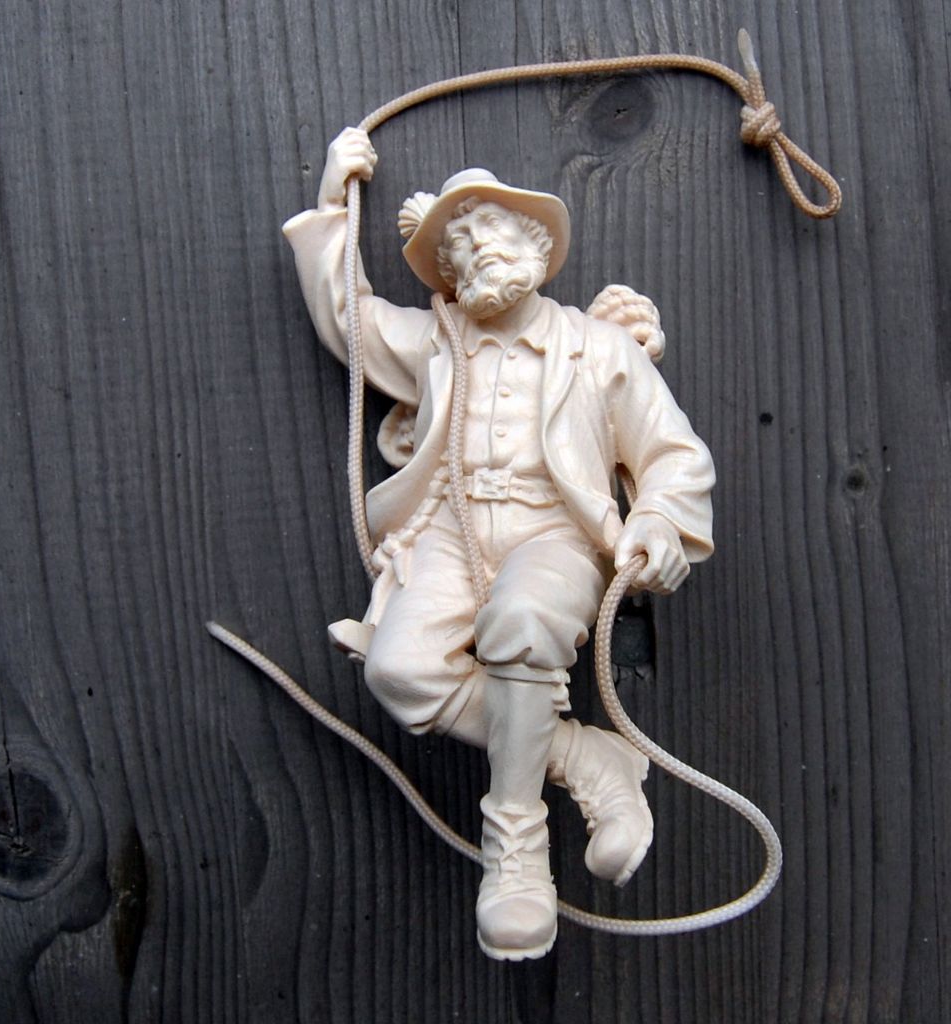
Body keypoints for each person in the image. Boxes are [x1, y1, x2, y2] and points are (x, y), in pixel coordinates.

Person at [283, 127, 716, 960]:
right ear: (447, 275)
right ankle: (585, 758)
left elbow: (672, 454)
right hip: (448, 530)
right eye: (457, 244)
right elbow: (352, 321)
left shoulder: (597, 349)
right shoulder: (437, 343)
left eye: (492, 230)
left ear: (536, 243)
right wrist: (335, 203)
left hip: (553, 534)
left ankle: (514, 847)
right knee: (398, 671)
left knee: (522, 618)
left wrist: (660, 522)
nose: (476, 248)